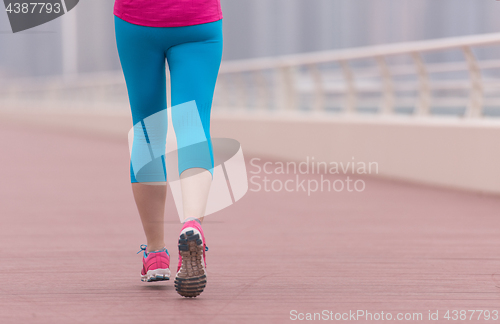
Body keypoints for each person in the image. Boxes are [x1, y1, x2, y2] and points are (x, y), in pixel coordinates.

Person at [113, 0, 223, 298]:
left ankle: (156, 255)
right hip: (197, 19)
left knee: (148, 130)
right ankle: (191, 225)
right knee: (192, 125)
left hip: (137, 20)